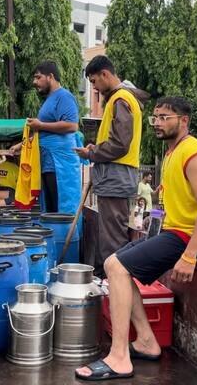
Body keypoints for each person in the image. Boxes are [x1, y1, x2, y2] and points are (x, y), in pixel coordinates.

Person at [75, 96, 197, 381]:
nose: (157, 122)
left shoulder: (193, 153)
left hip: (189, 237)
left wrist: (190, 256)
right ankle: (146, 341)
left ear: (184, 121)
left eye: (165, 117)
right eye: (156, 117)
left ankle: (119, 358)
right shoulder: (171, 153)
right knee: (117, 266)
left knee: (116, 267)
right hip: (173, 231)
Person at [75, 55, 148, 277]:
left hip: (116, 176)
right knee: (111, 233)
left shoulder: (121, 99)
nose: (95, 88)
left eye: (95, 82)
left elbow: (120, 144)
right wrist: (96, 148)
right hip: (116, 175)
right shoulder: (121, 99)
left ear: (105, 74)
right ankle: (110, 282)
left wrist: (93, 152)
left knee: (112, 238)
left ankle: (114, 286)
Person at [9, 61, 81, 214]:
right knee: (49, 205)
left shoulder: (64, 96)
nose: (35, 82)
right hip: (48, 162)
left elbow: (72, 125)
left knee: (60, 203)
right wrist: (21, 146)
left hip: (59, 163)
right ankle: (53, 234)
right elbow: (43, 132)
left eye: (38, 77)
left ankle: (66, 236)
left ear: (50, 77)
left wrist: (40, 125)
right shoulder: (50, 100)